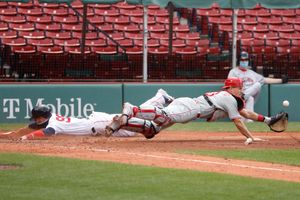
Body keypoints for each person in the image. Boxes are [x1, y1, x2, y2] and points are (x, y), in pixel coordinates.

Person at [105, 77, 285, 145]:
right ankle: (133, 109)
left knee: (153, 130)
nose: (241, 90)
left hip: (191, 106)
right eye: (239, 87)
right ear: (231, 88)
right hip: (191, 108)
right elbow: (238, 121)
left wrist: (267, 120)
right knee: (165, 115)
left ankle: (123, 122)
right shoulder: (229, 97)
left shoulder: (230, 99)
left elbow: (247, 114)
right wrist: (250, 137)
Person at [1, 89, 174, 140]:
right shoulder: (48, 120)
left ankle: (160, 98)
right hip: (97, 122)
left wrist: (26, 138)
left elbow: (46, 133)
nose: (35, 121)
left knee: (137, 128)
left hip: (99, 124)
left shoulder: (54, 124)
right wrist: (6, 135)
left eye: (37, 118)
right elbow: (25, 129)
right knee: (139, 119)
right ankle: (160, 97)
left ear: (42, 117)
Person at [227, 51, 288, 117]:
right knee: (253, 92)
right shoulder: (233, 72)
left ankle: (248, 119)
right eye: (242, 60)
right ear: (239, 61)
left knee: (253, 93)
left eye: (246, 60)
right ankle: (243, 97)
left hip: (246, 98)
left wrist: (281, 80)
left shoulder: (252, 73)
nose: (244, 61)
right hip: (237, 98)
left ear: (248, 61)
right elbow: (229, 86)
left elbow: (265, 80)